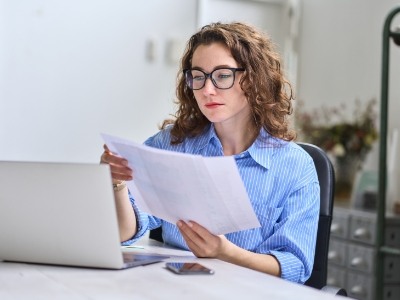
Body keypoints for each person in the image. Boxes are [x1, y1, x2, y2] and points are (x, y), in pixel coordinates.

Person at [100, 22, 320, 284]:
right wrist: (117, 184)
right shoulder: (171, 144)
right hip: (173, 288)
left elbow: (295, 266)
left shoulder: (296, 166)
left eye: (222, 75)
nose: (207, 90)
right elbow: (127, 233)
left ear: (253, 80)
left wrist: (225, 253)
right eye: (198, 76)